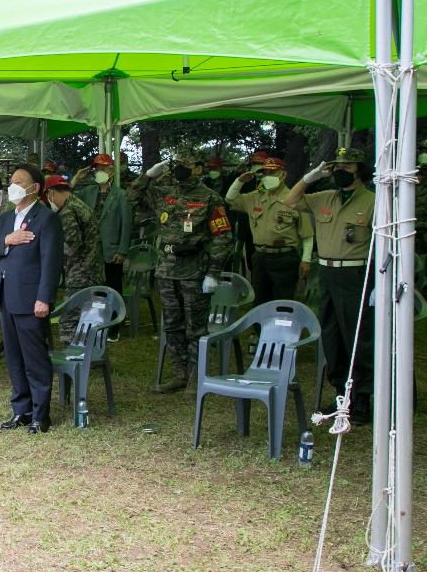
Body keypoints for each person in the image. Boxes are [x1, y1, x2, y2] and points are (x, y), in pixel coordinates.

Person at [128, 151, 234, 393]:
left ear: (198, 169)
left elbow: (223, 238)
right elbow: (132, 195)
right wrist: (149, 175)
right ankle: (179, 373)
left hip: (194, 269)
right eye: (176, 166)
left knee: (195, 327)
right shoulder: (165, 194)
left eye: (186, 166)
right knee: (172, 324)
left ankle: (197, 377)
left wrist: (213, 272)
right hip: (167, 268)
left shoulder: (210, 198)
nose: (180, 171)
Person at [285, 147, 374, 425]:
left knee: (357, 337)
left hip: (356, 275)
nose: (339, 171)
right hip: (327, 274)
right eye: (336, 167)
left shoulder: (373, 201)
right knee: (332, 336)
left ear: (360, 170)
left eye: (346, 167)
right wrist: (309, 178)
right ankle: (340, 396)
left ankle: (361, 398)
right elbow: (290, 201)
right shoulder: (324, 197)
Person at [0, 164, 62, 433]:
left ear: (35, 188)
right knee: (14, 359)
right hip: (8, 296)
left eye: (19, 181)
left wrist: (44, 298)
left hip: (31, 299)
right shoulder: (7, 217)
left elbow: (51, 262)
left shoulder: (46, 218)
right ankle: (22, 410)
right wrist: (9, 239)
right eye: (11, 180)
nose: (13, 185)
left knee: (35, 359)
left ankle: (41, 415)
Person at [225, 157, 313, 305]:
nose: (266, 177)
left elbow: (307, 234)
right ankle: (260, 328)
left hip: (284, 258)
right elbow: (229, 199)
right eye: (264, 173)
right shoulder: (255, 198)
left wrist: (306, 259)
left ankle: (282, 328)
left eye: (271, 173)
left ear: (283, 175)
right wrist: (239, 181)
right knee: (259, 299)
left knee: (283, 301)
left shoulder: (295, 200)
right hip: (260, 256)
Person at [70, 153, 132, 338]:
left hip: (111, 250)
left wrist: (122, 250)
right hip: (90, 249)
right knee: (91, 288)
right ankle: (94, 323)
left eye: (104, 169)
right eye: (97, 169)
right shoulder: (88, 191)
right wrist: (76, 178)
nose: (100, 172)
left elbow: (126, 224)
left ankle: (113, 328)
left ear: (111, 172)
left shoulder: (121, 195)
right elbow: (66, 196)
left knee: (112, 288)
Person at [44, 174, 104, 344]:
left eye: (48, 196)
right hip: (93, 270)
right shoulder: (78, 204)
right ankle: (89, 354)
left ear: (52, 192)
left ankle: (72, 357)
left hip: (80, 273)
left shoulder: (68, 211)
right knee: (90, 317)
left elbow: (71, 246)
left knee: (69, 319)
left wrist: (49, 250)